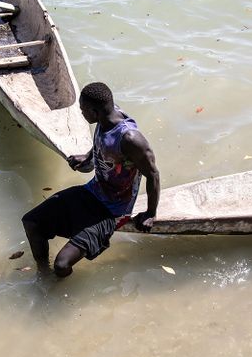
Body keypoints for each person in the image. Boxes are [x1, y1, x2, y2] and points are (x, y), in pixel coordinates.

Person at [22, 82, 159, 278]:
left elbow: (153, 174)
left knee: (62, 265)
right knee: (31, 222)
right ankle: (42, 273)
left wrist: (150, 213)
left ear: (95, 112)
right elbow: (105, 144)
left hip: (112, 211)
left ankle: (57, 290)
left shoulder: (130, 139)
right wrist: (88, 157)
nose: (81, 114)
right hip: (92, 191)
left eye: (82, 110)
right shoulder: (105, 119)